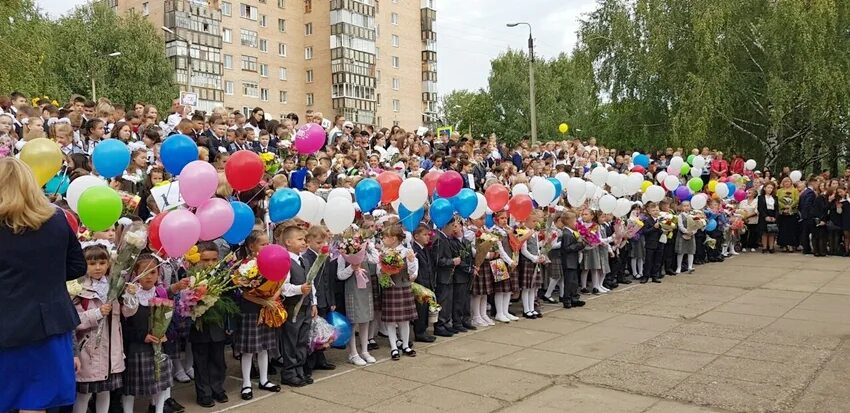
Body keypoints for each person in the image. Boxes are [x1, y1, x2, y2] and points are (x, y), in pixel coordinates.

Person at [0, 157, 86, 413]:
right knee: (37, 403)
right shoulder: (58, 219)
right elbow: (77, 267)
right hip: (49, 325)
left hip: (7, 328)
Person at [73, 245, 139, 413]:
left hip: (111, 349)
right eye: (92, 263)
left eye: (102, 263)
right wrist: (97, 313)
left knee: (105, 392)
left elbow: (127, 312)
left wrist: (131, 296)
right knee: (84, 395)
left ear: (109, 264)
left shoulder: (114, 285)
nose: (97, 267)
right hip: (89, 351)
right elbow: (74, 320)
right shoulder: (79, 288)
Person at [188, 242, 229, 408]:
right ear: (198, 260)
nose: (210, 264)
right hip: (198, 325)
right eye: (205, 260)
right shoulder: (191, 276)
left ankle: (218, 388)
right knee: (201, 361)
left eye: (214, 260)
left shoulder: (222, 276)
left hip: (217, 324)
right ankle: (204, 393)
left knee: (218, 359)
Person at [279, 226, 314, 387]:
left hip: (306, 306)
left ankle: (300, 369)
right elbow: (283, 287)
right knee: (291, 340)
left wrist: (313, 302)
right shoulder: (286, 261)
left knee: (302, 339)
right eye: (299, 239)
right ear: (288, 242)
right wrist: (299, 289)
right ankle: (289, 371)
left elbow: (310, 282)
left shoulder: (304, 260)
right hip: (293, 306)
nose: (303, 242)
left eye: (304, 239)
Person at [378, 224, 419, 360]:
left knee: (404, 320)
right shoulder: (384, 253)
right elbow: (379, 271)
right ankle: (394, 347)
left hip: (403, 286)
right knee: (391, 321)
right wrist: (384, 274)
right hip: (391, 288)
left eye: (386, 236)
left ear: (394, 238)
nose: (383, 239)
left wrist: (412, 261)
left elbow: (412, 272)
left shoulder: (406, 251)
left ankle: (406, 345)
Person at [301, 226, 337, 375]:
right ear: (308, 241)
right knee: (312, 332)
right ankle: (309, 362)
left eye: (324, 242)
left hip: (324, 298)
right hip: (314, 299)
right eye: (318, 242)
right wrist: (312, 301)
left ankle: (320, 359)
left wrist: (331, 300)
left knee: (320, 331)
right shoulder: (307, 258)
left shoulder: (324, 256)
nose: (321, 245)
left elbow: (329, 280)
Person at [432, 217, 460, 336]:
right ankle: (440, 325)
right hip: (442, 276)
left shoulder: (445, 238)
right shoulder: (439, 239)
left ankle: (445, 322)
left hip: (448, 276)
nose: (454, 228)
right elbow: (438, 260)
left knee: (448, 301)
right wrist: (452, 261)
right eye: (452, 225)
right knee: (443, 300)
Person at [411, 225, 437, 341]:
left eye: (428, 235)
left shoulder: (425, 249)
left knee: (425, 309)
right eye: (425, 235)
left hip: (427, 283)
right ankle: (419, 332)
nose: (428, 237)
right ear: (416, 236)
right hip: (420, 284)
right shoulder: (414, 250)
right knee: (420, 309)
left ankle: (424, 330)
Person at [641, 202, 664, 284]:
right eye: (653, 210)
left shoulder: (662, 220)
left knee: (657, 261)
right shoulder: (647, 221)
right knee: (648, 261)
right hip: (650, 244)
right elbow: (645, 232)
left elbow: (663, 230)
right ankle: (645, 276)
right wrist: (654, 228)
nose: (656, 212)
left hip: (660, 243)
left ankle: (655, 276)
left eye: (657, 210)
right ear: (649, 212)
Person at [776, 177, 800, 252]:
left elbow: (797, 200)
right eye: (785, 181)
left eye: (788, 181)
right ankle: (784, 245)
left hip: (792, 212)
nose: (787, 183)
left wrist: (790, 206)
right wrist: (783, 206)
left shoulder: (795, 190)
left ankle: (791, 245)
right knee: (783, 229)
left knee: (791, 229)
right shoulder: (779, 191)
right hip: (782, 213)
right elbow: (777, 200)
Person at [675, 201, 697, 273]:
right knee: (681, 252)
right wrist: (686, 231)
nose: (686, 207)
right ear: (681, 207)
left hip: (691, 235)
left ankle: (690, 266)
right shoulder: (680, 216)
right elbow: (680, 226)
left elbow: (696, 225)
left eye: (688, 206)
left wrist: (692, 232)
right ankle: (679, 267)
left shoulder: (693, 215)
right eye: (684, 206)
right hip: (682, 235)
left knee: (691, 251)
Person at [758, 181, 779, 253]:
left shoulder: (775, 198)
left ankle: (771, 247)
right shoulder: (760, 198)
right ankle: (764, 247)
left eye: (771, 188)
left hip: (772, 214)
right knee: (764, 232)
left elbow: (777, 209)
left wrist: (775, 217)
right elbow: (760, 208)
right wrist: (765, 216)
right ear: (764, 188)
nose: (770, 189)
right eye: (768, 187)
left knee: (771, 232)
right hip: (764, 215)